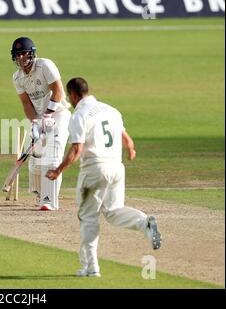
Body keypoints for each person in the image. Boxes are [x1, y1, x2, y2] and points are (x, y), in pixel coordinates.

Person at [46, 77, 162, 277]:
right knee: (114, 211)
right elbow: (126, 138)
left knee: (88, 218)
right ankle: (145, 223)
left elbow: (77, 149)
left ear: (73, 95)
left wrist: (58, 171)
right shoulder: (111, 110)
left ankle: (91, 268)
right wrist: (130, 150)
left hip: (95, 169)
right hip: (116, 167)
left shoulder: (79, 115)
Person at [11, 37, 71, 211]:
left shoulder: (45, 65)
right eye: (17, 55)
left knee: (52, 155)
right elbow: (26, 103)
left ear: (31, 53)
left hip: (58, 114)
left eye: (24, 54)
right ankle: (40, 194)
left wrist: (48, 114)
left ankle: (49, 200)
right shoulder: (17, 77)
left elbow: (58, 91)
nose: (21, 58)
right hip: (39, 118)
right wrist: (35, 122)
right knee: (37, 160)